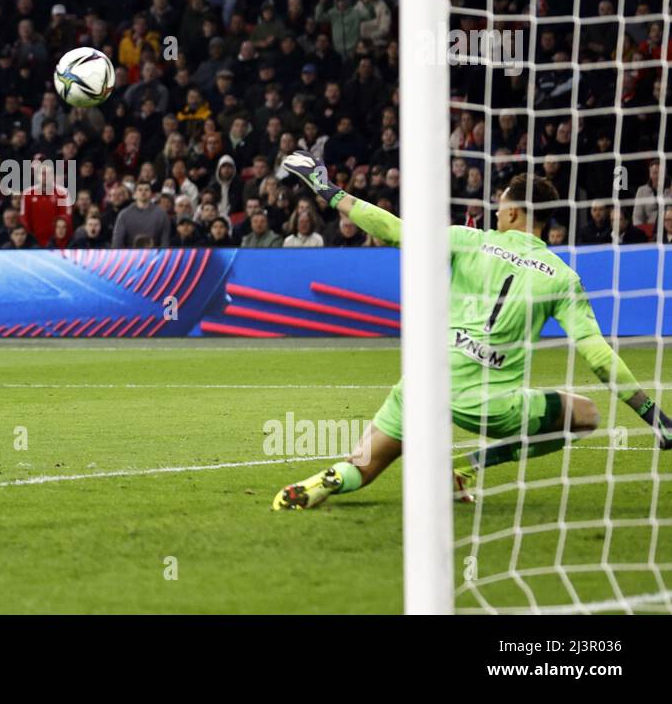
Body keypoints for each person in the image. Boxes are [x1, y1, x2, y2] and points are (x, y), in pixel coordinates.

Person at [273, 151, 671, 510]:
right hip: (493, 405)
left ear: (513, 213)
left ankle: (333, 478)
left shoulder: (469, 241)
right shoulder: (563, 278)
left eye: (499, 209)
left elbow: (393, 229)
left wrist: (325, 187)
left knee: (363, 465)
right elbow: (599, 358)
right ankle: (465, 467)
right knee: (586, 414)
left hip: (427, 383)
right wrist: (654, 416)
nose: (495, 216)